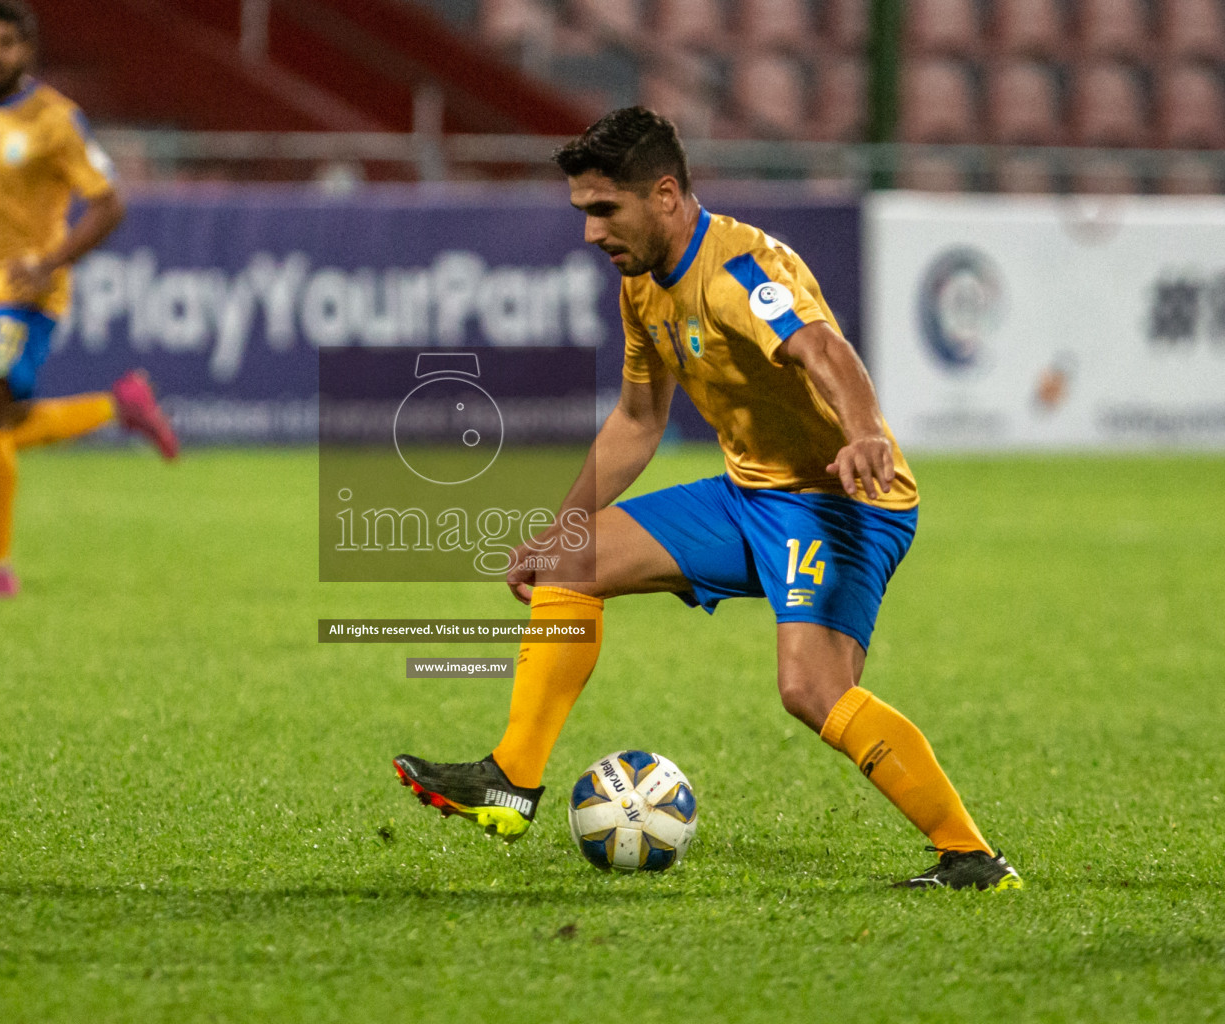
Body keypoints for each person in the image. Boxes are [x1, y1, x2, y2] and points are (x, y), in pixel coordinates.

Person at [394, 108, 1020, 891]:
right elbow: (636, 420)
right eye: (583, 213)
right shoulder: (643, 286)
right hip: (746, 493)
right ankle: (510, 780)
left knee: (813, 690)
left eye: (603, 211)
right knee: (571, 563)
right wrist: (559, 527)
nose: (591, 234)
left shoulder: (738, 272)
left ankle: (971, 857)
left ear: (663, 195)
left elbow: (823, 346)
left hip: (841, 501)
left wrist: (865, 432)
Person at [0, 0, 178, 601]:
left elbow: (110, 204)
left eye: (3, 42)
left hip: (28, 295)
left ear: (25, 49)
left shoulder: (56, 119)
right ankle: (117, 407)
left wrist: (49, 263)